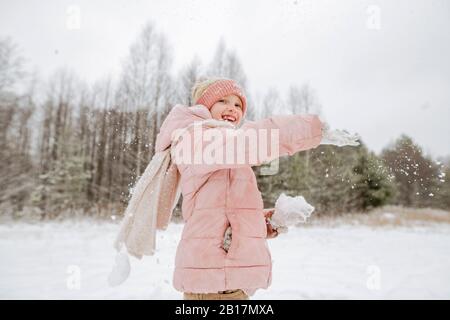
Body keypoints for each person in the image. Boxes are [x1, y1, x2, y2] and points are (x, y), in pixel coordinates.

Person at [152, 77, 358, 300]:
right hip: (212, 283)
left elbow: (226, 215)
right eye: (222, 100)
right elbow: (250, 140)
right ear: (204, 106)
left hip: (230, 283)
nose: (232, 108)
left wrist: (272, 221)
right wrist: (310, 131)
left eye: (238, 104)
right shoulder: (194, 139)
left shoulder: (228, 155)